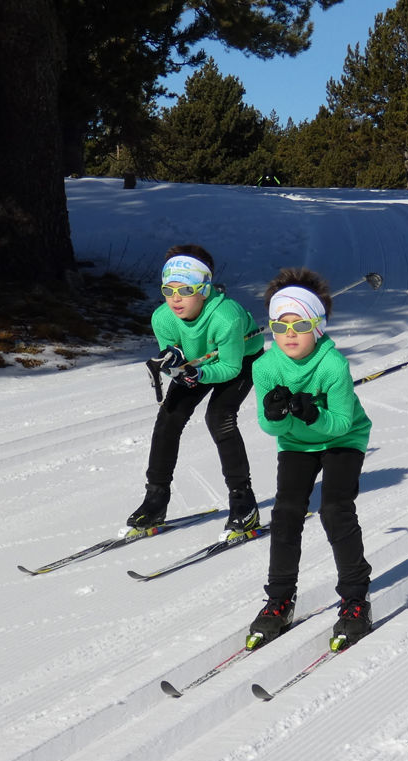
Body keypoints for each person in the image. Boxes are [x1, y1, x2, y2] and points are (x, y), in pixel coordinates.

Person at [247, 268, 374, 650]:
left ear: (317, 327)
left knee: (335, 508)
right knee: (286, 511)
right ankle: (280, 600)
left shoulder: (333, 365)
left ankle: (355, 601)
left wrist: (311, 414)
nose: (288, 334)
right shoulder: (265, 367)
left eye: (299, 324)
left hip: (343, 437)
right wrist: (275, 415)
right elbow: (267, 429)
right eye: (279, 325)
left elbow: (340, 422)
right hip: (297, 443)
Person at [127, 244, 265, 539]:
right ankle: (155, 500)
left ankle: (244, 504)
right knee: (169, 418)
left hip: (240, 360)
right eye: (168, 290)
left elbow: (229, 368)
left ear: (204, 289)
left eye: (185, 291)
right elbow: (171, 360)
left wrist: (197, 372)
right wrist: (173, 364)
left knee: (219, 417)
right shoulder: (162, 317)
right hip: (198, 363)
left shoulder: (227, 318)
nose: (175, 299)